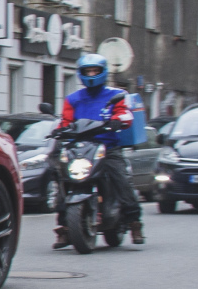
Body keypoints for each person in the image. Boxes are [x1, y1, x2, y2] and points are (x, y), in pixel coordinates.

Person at [51, 54, 144, 248]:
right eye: (87, 71)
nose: (91, 75)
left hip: (107, 147)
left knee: (121, 179)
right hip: (80, 148)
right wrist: (60, 129)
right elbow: (66, 121)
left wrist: (119, 120)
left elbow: (124, 113)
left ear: (103, 72)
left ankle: (134, 222)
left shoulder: (115, 95)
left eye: (95, 71)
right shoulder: (73, 99)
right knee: (62, 180)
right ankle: (64, 227)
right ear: (81, 74)